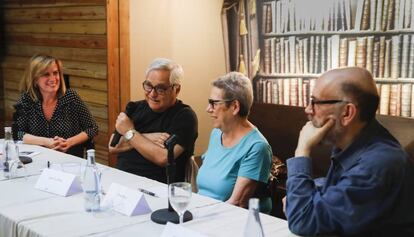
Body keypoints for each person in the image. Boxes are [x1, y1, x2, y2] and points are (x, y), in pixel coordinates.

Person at [284, 67, 414, 236]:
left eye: (315, 102)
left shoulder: (379, 163)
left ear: (347, 113)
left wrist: (302, 150)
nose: (308, 110)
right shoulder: (354, 145)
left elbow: (302, 221)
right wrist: (307, 196)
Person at [108, 58, 198, 183]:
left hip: (157, 189)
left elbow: (163, 157)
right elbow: (113, 146)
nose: (152, 94)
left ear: (176, 89)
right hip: (122, 182)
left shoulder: (185, 116)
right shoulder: (134, 108)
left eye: (160, 89)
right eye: (148, 86)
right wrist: (149, 138)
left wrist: (129, 132)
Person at [196, 72, 272, 213]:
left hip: (232, 222)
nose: (208, 109)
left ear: (235, 107)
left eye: (214, 103)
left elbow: (236, 204)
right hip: (205, 213)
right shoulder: (216, 134)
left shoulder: (257, 147)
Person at [13, 54, 98, 158]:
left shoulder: (70, 97)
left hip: (70, 160)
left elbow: (92, 128)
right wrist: (46, 142)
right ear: (35, 79)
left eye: (55, 73)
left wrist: (69, 142)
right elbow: (18, 133)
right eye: (46, 74)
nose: (53, 78)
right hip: (39, 160)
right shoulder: (27, 100)